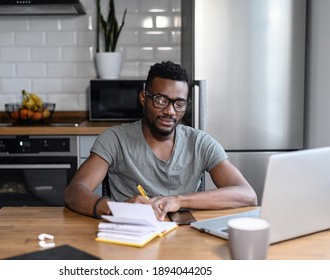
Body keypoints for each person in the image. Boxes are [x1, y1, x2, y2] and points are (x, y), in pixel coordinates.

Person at [64, 61, 257, 220]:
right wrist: (115, 207)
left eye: (179, 103)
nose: (170, 111)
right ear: (143, 98)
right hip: (129, 236)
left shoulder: (199, 142)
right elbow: (73, 192)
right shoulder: (114, 139)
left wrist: (179, 200)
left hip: (184, 238)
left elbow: (247, 195)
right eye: (161, 100)